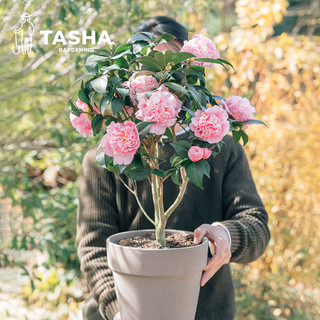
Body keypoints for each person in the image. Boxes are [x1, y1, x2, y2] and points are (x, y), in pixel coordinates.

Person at [76, 16, 270, 320]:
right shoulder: (106, 158)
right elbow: (94, 247)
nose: (163, 79)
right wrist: (119, 310)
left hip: (204, 311)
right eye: (151, 68)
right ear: (131, 76)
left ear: (193, 70)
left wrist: (225, 236)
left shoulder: (221, 148)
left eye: (173, 66)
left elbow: (256, 224)